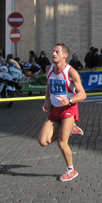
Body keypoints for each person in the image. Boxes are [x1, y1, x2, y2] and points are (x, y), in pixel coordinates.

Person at [38, 43, 87, 182]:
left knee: (62, 143)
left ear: (64, 56)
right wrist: (46, 100)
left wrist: (70, 101)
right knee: (43, 141)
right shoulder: (48, 69)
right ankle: (69, 128)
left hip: (68, 109)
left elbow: (83, 94)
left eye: (57, 52)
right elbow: (48, 85)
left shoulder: (71, 72)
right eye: (53, 51)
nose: (53, 54)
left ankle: (71, 170)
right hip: (54, 109)